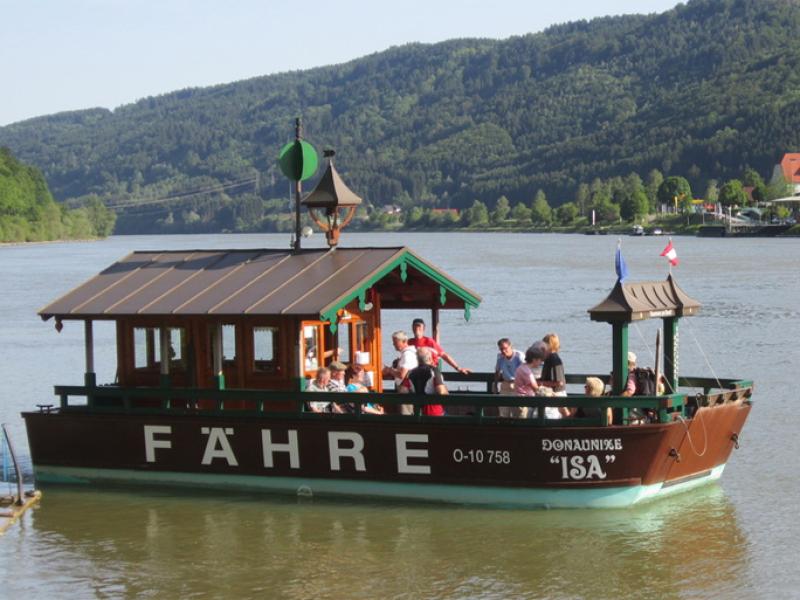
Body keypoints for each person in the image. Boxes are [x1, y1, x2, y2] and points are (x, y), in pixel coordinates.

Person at [400, 347, 447, 416]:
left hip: (418, 413)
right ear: (430, 358)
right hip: (435, 413)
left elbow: (402, 390)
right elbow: (441, 391)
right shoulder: (434, 371)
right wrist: (446, 390)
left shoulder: (410, 372)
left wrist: (413, 392)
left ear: (417, 360)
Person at [507, 343, 547, 418]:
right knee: (523, 424)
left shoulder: (523, 367)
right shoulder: (526, 372)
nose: (541, 362)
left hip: (522, 401)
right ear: (534, 360)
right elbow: (535, 388)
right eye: (540, 360)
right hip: (523, 403)